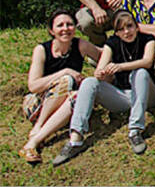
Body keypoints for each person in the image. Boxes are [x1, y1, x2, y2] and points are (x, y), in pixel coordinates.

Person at [52, 11, 155, 165]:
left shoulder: (147, 39)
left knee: (140, 73)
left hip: (148, 94)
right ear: (116, 32)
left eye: (129, 26)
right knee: (89, 82)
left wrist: (120, 66)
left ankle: (135, 131)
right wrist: (102, 73)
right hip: (124, 96)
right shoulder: (112, 43)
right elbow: (99, 70)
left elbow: (147, 61)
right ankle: (75, 138)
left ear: (137, 27)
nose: (126, 32)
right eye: (121, 29)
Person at [18, 10, 101, 164]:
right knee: (67, 80)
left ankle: (33, 142)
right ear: (51, 31)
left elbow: (102, 55)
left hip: (65, 105)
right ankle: (39, 125)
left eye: (69, 24)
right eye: (60, 25)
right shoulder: (41, 50)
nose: (65, 29)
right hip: (37, 104)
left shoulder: (80, 45)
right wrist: (65, 71)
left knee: (78, 96)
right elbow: (33, 86)